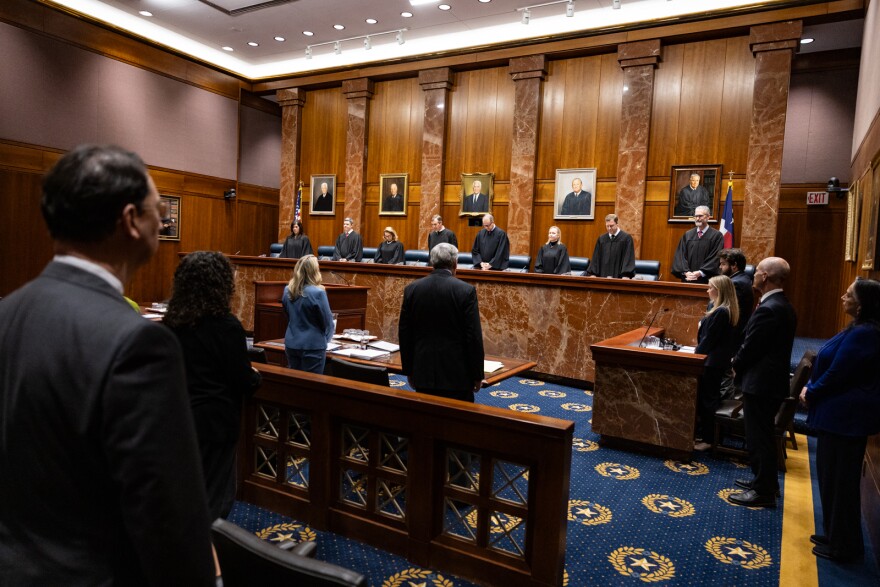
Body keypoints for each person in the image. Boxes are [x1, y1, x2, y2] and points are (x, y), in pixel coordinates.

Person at [0, 145, 215, 584]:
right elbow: (170, 525)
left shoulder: (7, 313)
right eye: (160, 210)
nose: (164, 221)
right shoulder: (139, 344)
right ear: (131, 220)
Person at [164, 251, 262, 521]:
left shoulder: (172, 323)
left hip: (178, 417)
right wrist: (255, 377)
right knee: (215, 497)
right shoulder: (227, 327)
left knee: (183, 491)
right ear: (221, 285)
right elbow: (242, 380)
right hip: (215, 422)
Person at [799, 278, 880, 563]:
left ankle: (844, 546)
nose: (843, 298)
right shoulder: (858, 329)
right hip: (838, 417)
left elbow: (839, 372)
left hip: (846, 419)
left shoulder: (865, 334)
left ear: (862, 304)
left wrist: (812, 391)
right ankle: (834, 534)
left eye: (849, 295)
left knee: (840, 482)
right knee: (831, 478)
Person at [728, 257, 797, 508]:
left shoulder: (770, 308)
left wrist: (735, 364)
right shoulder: (781, 304)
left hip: (762, 384)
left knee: (760, 438)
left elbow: (752, 347)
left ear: (765, 276)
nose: (753, 275)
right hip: (768, 382)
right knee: (761, 435)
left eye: (757, 271)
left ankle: (763, 492)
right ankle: (764, 481)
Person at [399, 243, 485, 402]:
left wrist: (408, 370)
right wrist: (478, 374)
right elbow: (473, 337)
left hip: (422, 371)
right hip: (457, 376)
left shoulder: (412, 289)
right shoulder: (466, 291)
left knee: (425, 415)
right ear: (455, 264)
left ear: (432, 262)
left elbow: (405, 333)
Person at [693, 275, 739, 451]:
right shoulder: (722, 309)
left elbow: (709, 339)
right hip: (714, 361)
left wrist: (696, 356)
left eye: (710, 287)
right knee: (708, 398)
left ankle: (708, 439)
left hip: (712, 363)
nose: (707, 290)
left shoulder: (721, 312)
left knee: (708, 400)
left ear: (719, 291)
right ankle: (706, 436)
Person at [281, 255, 335, 374]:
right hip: (313, 346)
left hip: (291, 343)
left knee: (294, 381)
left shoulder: (287, 290)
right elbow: (328, 324)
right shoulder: (318, 293)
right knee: (311, 383)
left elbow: (288, 315)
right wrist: (324, 341)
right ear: (314, 271)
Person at [717, 248, 754, 399]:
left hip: (732, 338)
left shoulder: (736, 283)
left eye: (723, 264)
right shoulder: (743, 279)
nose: (720, 267)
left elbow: (727, 313)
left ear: (734, 266)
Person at [671, 205, 723, 284]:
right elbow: (680, 256)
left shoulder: (716, 236)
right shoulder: (688, 235)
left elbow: (715, 257)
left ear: (708, 217)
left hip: (707, 280)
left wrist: (701, 272)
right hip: (688, 279)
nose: (698, 218)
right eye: (696, 216)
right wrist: (686, 272)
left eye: (700, 216)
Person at [586, 214, 636, 278]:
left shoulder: (626, 238)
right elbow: (596, 257)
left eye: (611, 226)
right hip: (603, 276)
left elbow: (628, 257)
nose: (609, 228)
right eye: (607, 226)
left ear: (617, 224)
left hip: (619, 277)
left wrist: (626, 275)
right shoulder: (602, 239)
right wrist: (593, 273)